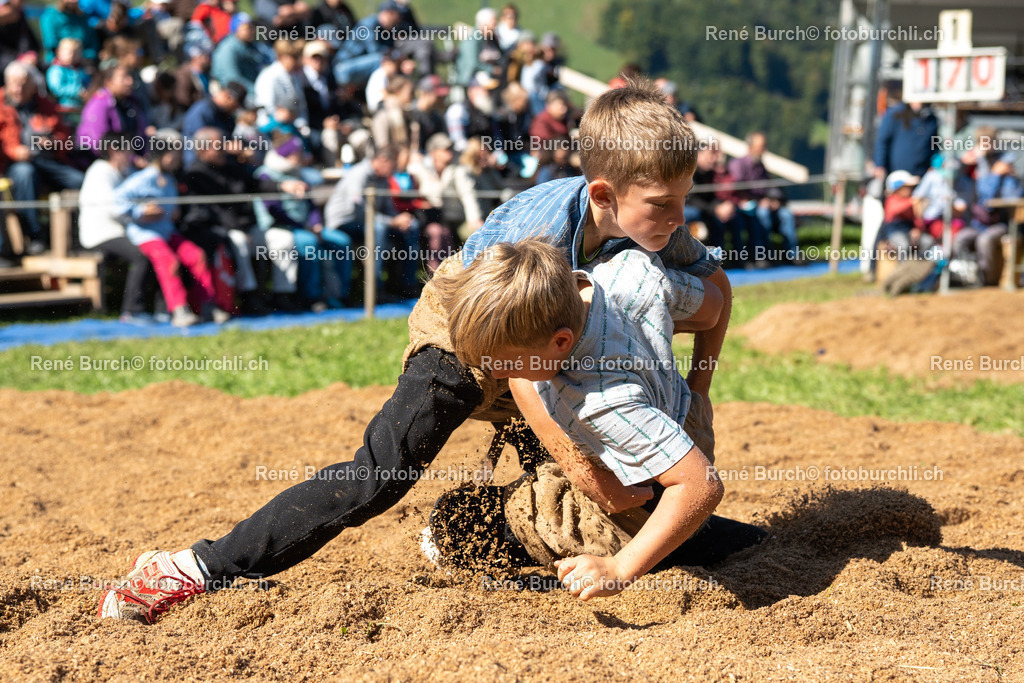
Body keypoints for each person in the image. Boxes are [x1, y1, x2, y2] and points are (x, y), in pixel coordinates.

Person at [97, 78, 735, 623]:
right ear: (603, 195)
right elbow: (517, 370)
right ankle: (196, 565)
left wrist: (697, 395)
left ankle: (464, 531)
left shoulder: (654, 217)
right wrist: (577, 461)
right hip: (472, 337)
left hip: (549, 349)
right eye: (665, 206)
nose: (680, 219)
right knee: (380, 476)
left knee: (629, 499)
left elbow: (718, 292)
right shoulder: (537, 230)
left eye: (683, 201)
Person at [427, 239, 742, 596]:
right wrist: (699, 385)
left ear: (560, 342)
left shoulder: (602, 402)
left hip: (641, 490)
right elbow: (714, 300)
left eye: (506, 362)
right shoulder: (618, 275)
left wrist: (619, 568)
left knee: (458, 523)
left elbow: (701, 485)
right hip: (679, 415)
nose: (498, 375)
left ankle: (668, 542)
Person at [181, 126, 309, 315]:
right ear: (203, 148)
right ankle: (249, 297)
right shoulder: (195, 174)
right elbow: (210, 213)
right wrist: (239, 230)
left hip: (249, 228)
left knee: (284, 240)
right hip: (224, 231)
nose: (224, 148)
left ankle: (282, 294)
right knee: (239, 242)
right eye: (218, 146)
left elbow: (256, 184)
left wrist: (282, 185)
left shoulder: (231, 166)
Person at [113, 128, 227, 327]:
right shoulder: (144, 178)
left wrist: (171, 212)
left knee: (196, 255)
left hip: (167, 232)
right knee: (168, 261)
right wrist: (140, 211)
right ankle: (179, 309)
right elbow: (116, 201)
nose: (179, 158)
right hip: (147, 235)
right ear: (163, 154)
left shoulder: (170, 180)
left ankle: (208, 305)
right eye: (176, 153)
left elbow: (170, 208)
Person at [0, 61, 83, 254]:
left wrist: (53, 141)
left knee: (81, 181)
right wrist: (15, 151)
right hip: (15, 164)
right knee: (25, 174)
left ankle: (78, 239)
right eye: (14, 83)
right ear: (7, 83)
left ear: (33, 84)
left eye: (24, 83)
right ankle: (35, 235)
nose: (19, 89)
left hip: (48, 160)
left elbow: (65, 136)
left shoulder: (45, 105)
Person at [324, 144, 420, 297]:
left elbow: (387, 207)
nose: (394, 170)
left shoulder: (383, 178)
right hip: (343, 223)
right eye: (393, 165)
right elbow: (359, 211)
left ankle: (406, 285)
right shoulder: (360, 174)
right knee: (378, 228)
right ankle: (374, 289)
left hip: (368, 222)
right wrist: (392, 222)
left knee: (412, 226)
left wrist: (400, 219)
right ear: (382, 160)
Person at [78, 133, 151, 321]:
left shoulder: (121, 173)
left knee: (154, 247)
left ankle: (156, 308)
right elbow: (114, 209)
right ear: (114, 151)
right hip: (99, 234)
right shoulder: (100, 172)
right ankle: (131, 311)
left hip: (119, 231)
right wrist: (142, 212)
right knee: (140, 256)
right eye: (128, 150)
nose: (131, 155)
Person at [728, 132, 799, 265]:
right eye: (761, 146)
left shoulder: (761, 166)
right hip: (746, 207)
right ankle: (763, 255)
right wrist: (760, 202)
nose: (764, 150)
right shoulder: (738, 164)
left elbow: (770, 187)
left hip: (764, 203)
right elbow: (737, 188)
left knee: (786, 214)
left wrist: (774, 201)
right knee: (762, 214)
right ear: (750, 147)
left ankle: (792, 254)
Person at [77, 64, 152, 161]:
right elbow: (99, 143)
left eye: (130, 77)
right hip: (101, 162)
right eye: (124, 77)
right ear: (109, 82)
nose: (130, 82)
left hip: (127, 161)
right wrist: (134, 159)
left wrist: (146, 155)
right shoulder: (99, 105)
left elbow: (141, 136)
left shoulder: (131, 103)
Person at [210, 12, 266, 96]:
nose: (251, 30)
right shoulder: (228, 48)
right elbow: (232, 79)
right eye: (246, 26)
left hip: (251, 89)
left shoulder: (251, 45)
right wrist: (258, 91)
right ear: (236, 28)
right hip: (234, 95)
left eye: (252, 26)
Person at [46, 38, 91, 111]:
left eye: (76, 53)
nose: (73, 55)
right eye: (70, 52)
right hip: (63, 107)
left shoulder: (81, 69)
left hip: (80, 106)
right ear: (58, 52)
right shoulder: (56, 70)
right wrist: (78, 92)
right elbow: (57, 88)